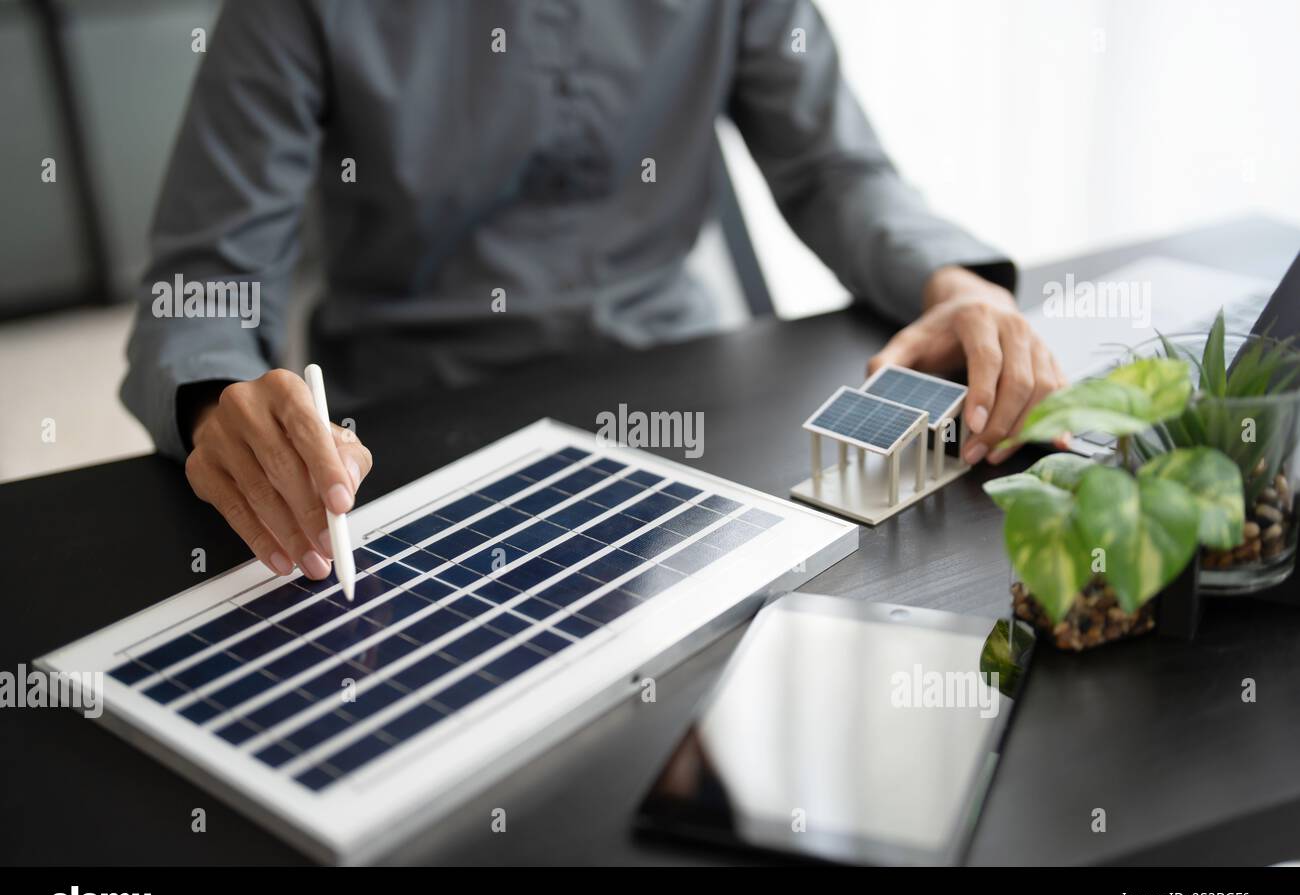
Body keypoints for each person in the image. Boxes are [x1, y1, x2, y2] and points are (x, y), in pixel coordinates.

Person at [121, 0, 1065, 582]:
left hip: (687, 406)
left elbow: (834, 169)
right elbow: (205, 273)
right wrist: (214, 400)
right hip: (408, 430)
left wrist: (959, 288)